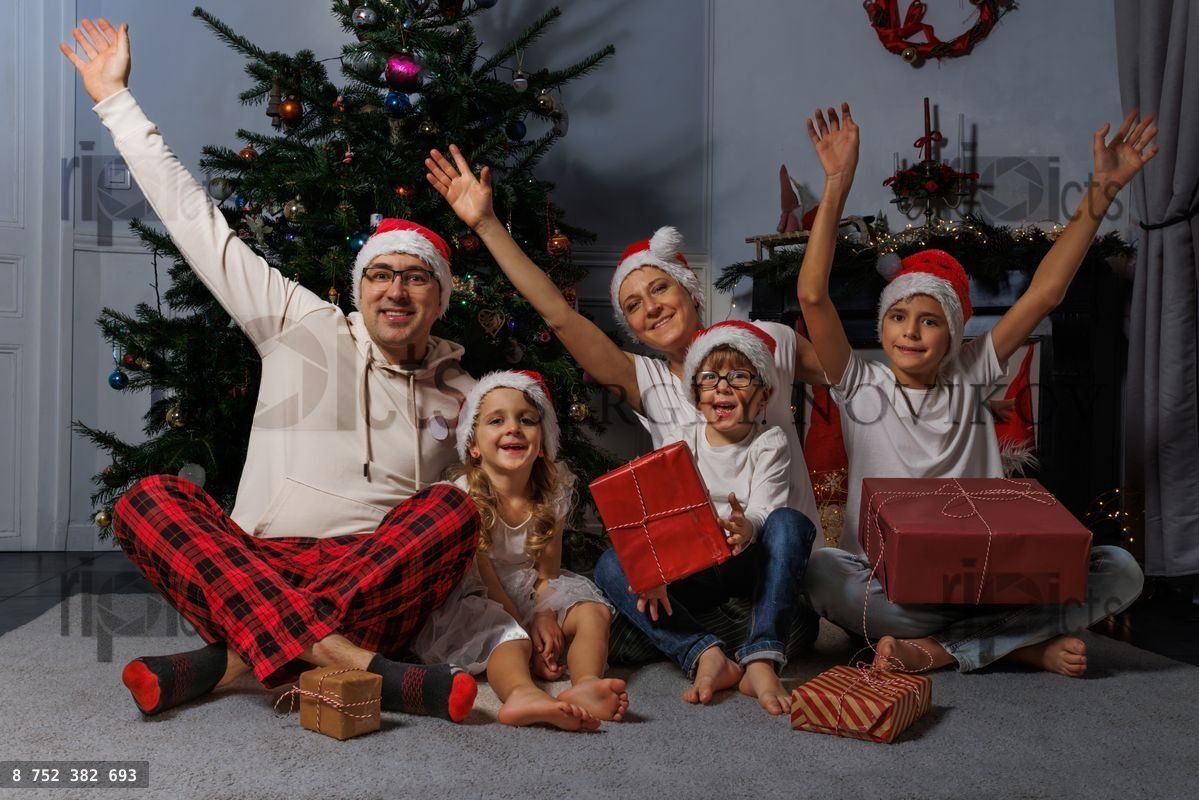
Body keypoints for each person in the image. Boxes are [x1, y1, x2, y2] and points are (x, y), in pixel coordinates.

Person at [61, 18, 480, 720]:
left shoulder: (465, 394)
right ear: (358, 288)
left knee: (456, 509)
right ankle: (346, 659)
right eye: (380, 275)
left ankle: (230, 660)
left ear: (439, 295)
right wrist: (115, 102)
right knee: (147, 499)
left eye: (415, 278)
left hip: (364, 578)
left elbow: (469, 536)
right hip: (252, 568)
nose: (396, 291)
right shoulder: (300, 324)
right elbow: (196, 223)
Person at [796, 102, 1151, 677]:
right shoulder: (860, 384)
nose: (911, 330)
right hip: (896, 586)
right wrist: (837, 182)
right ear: (882, 326)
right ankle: (1019, 644)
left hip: (988, 579)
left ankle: (944, 650)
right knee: (817, 572)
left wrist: (1101, 191)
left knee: (1121, 570)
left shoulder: (973, 370)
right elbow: (813, 298)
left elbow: (1045, 294)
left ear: (954, 333)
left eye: (929, 319)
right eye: (898, 316)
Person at [424, 146, 828, 546]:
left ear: (691, 292)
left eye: (660, 288)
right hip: (700, 564)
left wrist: (836, 185)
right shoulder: (642, 379)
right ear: (632, 328)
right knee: (616, 575)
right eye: (633, 305)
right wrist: (487, 225)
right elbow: (559, 317)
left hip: (781, 554)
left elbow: (849, 376)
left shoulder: (767, 340)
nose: (651, 308)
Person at [593, 322, 817, 715]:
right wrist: (654, 570)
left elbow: (766, 508)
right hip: (690, 566)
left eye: (739, 377)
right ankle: (704, 652)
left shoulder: (770, 442)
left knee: (790, 523)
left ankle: (762, 657)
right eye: (710, 378)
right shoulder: (683, 439)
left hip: (743, 561)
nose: (723, 387)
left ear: (763, 396)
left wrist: (748, 527)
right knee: (611, 563)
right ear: (697, 397)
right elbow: (660, 517)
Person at [411, 371, 628, 730]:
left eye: (526, 420)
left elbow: (548, 575)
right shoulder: (463, 494)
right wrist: (524, 624)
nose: (513, 428)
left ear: (542, 442)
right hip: (480, 595)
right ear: (474, 445)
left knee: (592, 612)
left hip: (528, 589)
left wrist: (544, 614)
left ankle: (586, 683)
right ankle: (521, 693)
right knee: (506, 636)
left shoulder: (552, 492)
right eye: (497, 420)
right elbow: (483, 577)